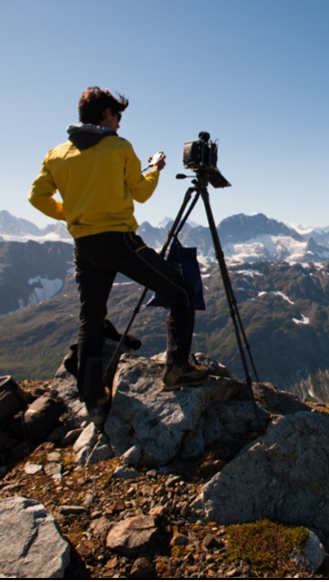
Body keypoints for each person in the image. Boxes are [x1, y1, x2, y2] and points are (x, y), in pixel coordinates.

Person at [28, 87, 208, 424]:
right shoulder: (118, 147)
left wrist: (74, 213)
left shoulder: (57, 154)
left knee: (91, 321)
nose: (120, 123)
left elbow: (37, 197)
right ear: (105, 114)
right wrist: (155, 168)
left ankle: (93, 398)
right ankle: (176, 369)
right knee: (180, 291)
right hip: (119, 241)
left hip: (84, 245)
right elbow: (141, 193)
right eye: (117, 116)